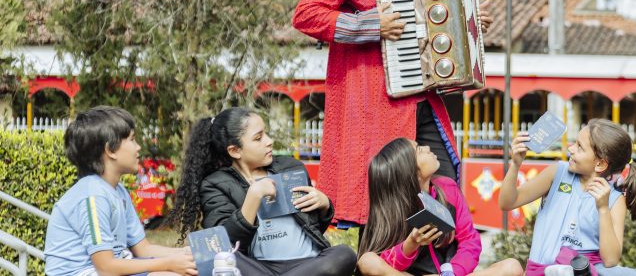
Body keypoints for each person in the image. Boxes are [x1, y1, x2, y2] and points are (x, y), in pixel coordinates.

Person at [292, 0, 492, 227]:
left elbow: (421, 23)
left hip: (421, 98)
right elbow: (306, 14)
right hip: (375, 101)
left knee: (443, 191)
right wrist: (370, 24)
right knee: (388, 204)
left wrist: (466, 28)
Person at [169, 107, 356, 276]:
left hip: (309, 262)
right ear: (235, 151)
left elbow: (312, 229)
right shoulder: (215, 184)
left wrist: (324, 205)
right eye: (258, 138)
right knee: (216, 255)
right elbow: (225, 243)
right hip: (258, 268)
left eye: (266, 134)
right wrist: (254, 195)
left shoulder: (291, 167)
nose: (269, 141)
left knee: (344, 254)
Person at [44, 106, 197, 276]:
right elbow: (106, 268)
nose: (138, 147)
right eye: (132, 140)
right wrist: (169, 264)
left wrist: (188, 254)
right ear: (110, 150)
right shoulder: (93, 196)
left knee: (187, 270)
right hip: (84, 272)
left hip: (110, 268)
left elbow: (143, 249)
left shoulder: (118, 191)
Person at [499, 119, 636, 276]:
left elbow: (611, 260)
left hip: (587, 270)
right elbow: (508, 202)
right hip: (542, 270)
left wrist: (603, 208)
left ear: (600, 164)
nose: (571, 149)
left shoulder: (615, 199)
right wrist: (515, 165)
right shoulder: (557, 173)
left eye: (580, 147)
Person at [357, 137, 523, 276]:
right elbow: (380, 263)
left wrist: (453, 271)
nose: (428, 147)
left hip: (450, 273)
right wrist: (410, 244)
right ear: (409, 170)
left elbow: (469, 240)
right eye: (420, 150)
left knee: (512, 266)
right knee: (367, 261)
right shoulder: (393, 208)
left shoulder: (448, 188)